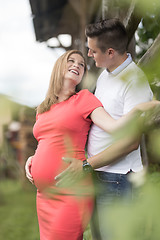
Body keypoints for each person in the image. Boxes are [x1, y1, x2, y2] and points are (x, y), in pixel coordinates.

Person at [26, 49, 154, 240]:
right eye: (71, 61)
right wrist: (34, 158)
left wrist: (136, 109)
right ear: (59, 66)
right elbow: (47, 141)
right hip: (44, 195)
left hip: (70, 191)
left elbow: (114, 127)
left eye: (81, 64)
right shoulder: (43, 108)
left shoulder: (84, 99)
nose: (77, 65)